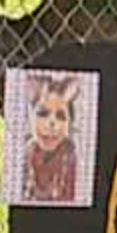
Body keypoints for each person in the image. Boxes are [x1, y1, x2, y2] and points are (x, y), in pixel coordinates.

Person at [23, 74, 80, 204]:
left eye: (61, 117)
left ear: (69, 124)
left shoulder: (73, 161)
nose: (51, 124)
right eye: (43, 114)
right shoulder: (24, 157)